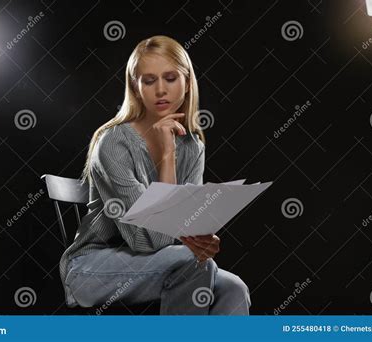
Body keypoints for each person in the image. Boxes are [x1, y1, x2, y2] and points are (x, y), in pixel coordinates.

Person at [59, 35, 251, 315]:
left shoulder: (192, 145)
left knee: (233, 287)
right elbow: (149, 241)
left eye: (170, 78)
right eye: (149, 81)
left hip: (159, 262)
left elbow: (182, 227)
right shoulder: (113, 142)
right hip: (92, 268)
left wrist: (199, 238)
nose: (161, 89)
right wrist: (166, 155)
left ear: (186, 83)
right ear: (136, 88)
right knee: (190, 262)